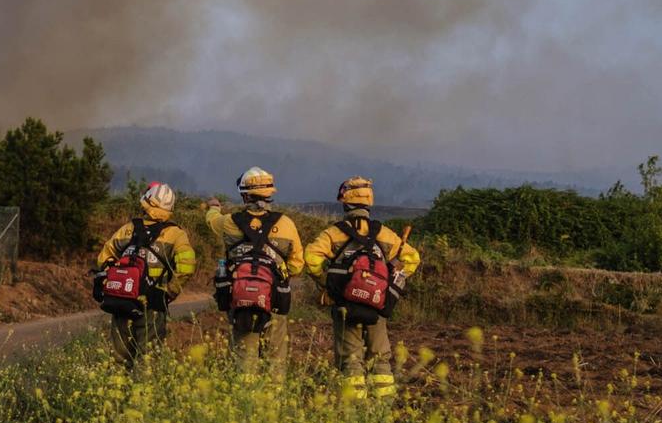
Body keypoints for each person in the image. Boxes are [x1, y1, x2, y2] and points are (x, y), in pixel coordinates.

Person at [304, 176, 421, 400]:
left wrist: (325, 284)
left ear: (345, 201)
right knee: (380, 357)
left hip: (345, 305)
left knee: (350, 359)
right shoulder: (384, 233)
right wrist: (388, 281)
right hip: (376, 305)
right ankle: (384, 404)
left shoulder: (333, 233)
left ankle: (355, 407)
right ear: (369, 201)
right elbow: (412, 258)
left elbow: (310, 258)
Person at [205, 166, 304, 377]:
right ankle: (273, 395)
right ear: (269, 193)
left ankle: (245, 394)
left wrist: (213, 207)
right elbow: (297, 264)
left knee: (244, 357)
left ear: (245, 196)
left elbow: (211, 221)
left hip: (241, 299)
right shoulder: (286, 224)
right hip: (274, 299)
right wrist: (276, 275)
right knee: (275, 358)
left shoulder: (229, 222)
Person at [94, 181, 195, 370]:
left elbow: (104, 257)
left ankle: (118, 387)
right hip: (153, 304)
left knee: (119, 358)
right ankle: (142, 388)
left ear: (146, 203)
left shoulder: (128, 229)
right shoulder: (176, 234)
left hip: (122, 300)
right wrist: (168, 293)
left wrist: (111, 281)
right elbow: (187, 267)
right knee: (148, 360)